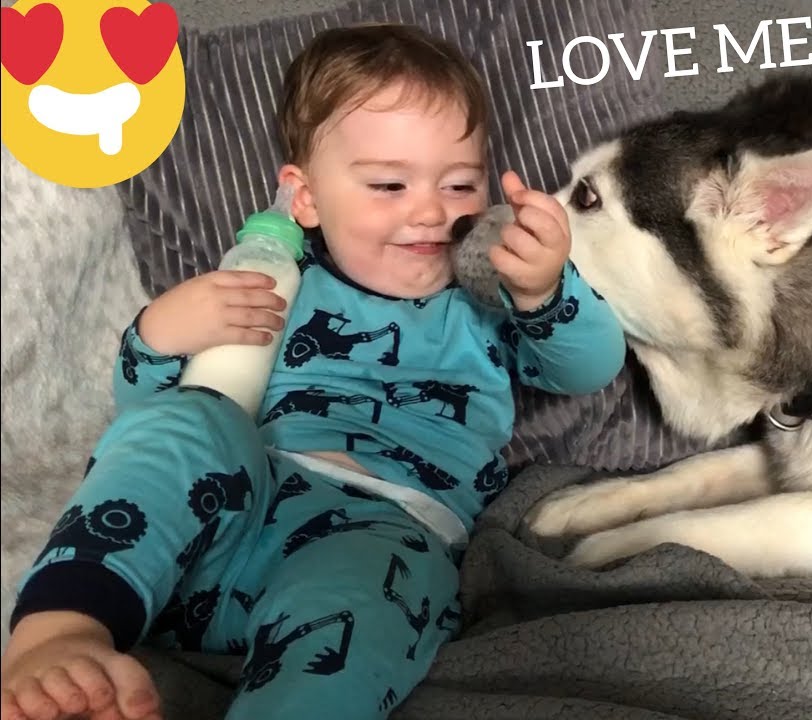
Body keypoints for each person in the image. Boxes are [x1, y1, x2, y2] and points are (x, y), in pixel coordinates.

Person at [0, 23, 624, 720]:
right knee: (193, 419)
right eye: (388, 184)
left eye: (460, 183)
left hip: (380, 533)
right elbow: (143, 409)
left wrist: (545, 290)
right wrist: (162, 332)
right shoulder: (278, 281)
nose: (430, 210)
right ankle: (63, 630)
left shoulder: (484, 301)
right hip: (225, 512)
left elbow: (588, 368)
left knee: (373, 597)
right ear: (305, 198)